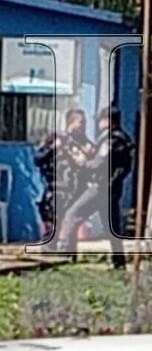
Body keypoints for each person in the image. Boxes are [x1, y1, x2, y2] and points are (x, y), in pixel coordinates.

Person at [58, 108, 134, 267]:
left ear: (108, 121)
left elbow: (100, 163)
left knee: (72, 215)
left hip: (101, 188)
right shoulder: (124, 139)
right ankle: (119, 262)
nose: (98, 124)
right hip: (113, 189)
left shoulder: (110, 140)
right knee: (111, 228)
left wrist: (82, 163)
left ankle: (63, 256)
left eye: (100, 120)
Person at [33, 108, 90, 236]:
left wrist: (85, 153)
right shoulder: (55, 138)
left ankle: (68, 250)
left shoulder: (84, 142)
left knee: (71, 221)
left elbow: (93, 160)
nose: (84, 125)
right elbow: (38, 159)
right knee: (52, 219)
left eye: (85, 122)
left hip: (75, 189)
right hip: (55, 188)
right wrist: (55, 147)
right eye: (81, 122)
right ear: (72, 122)